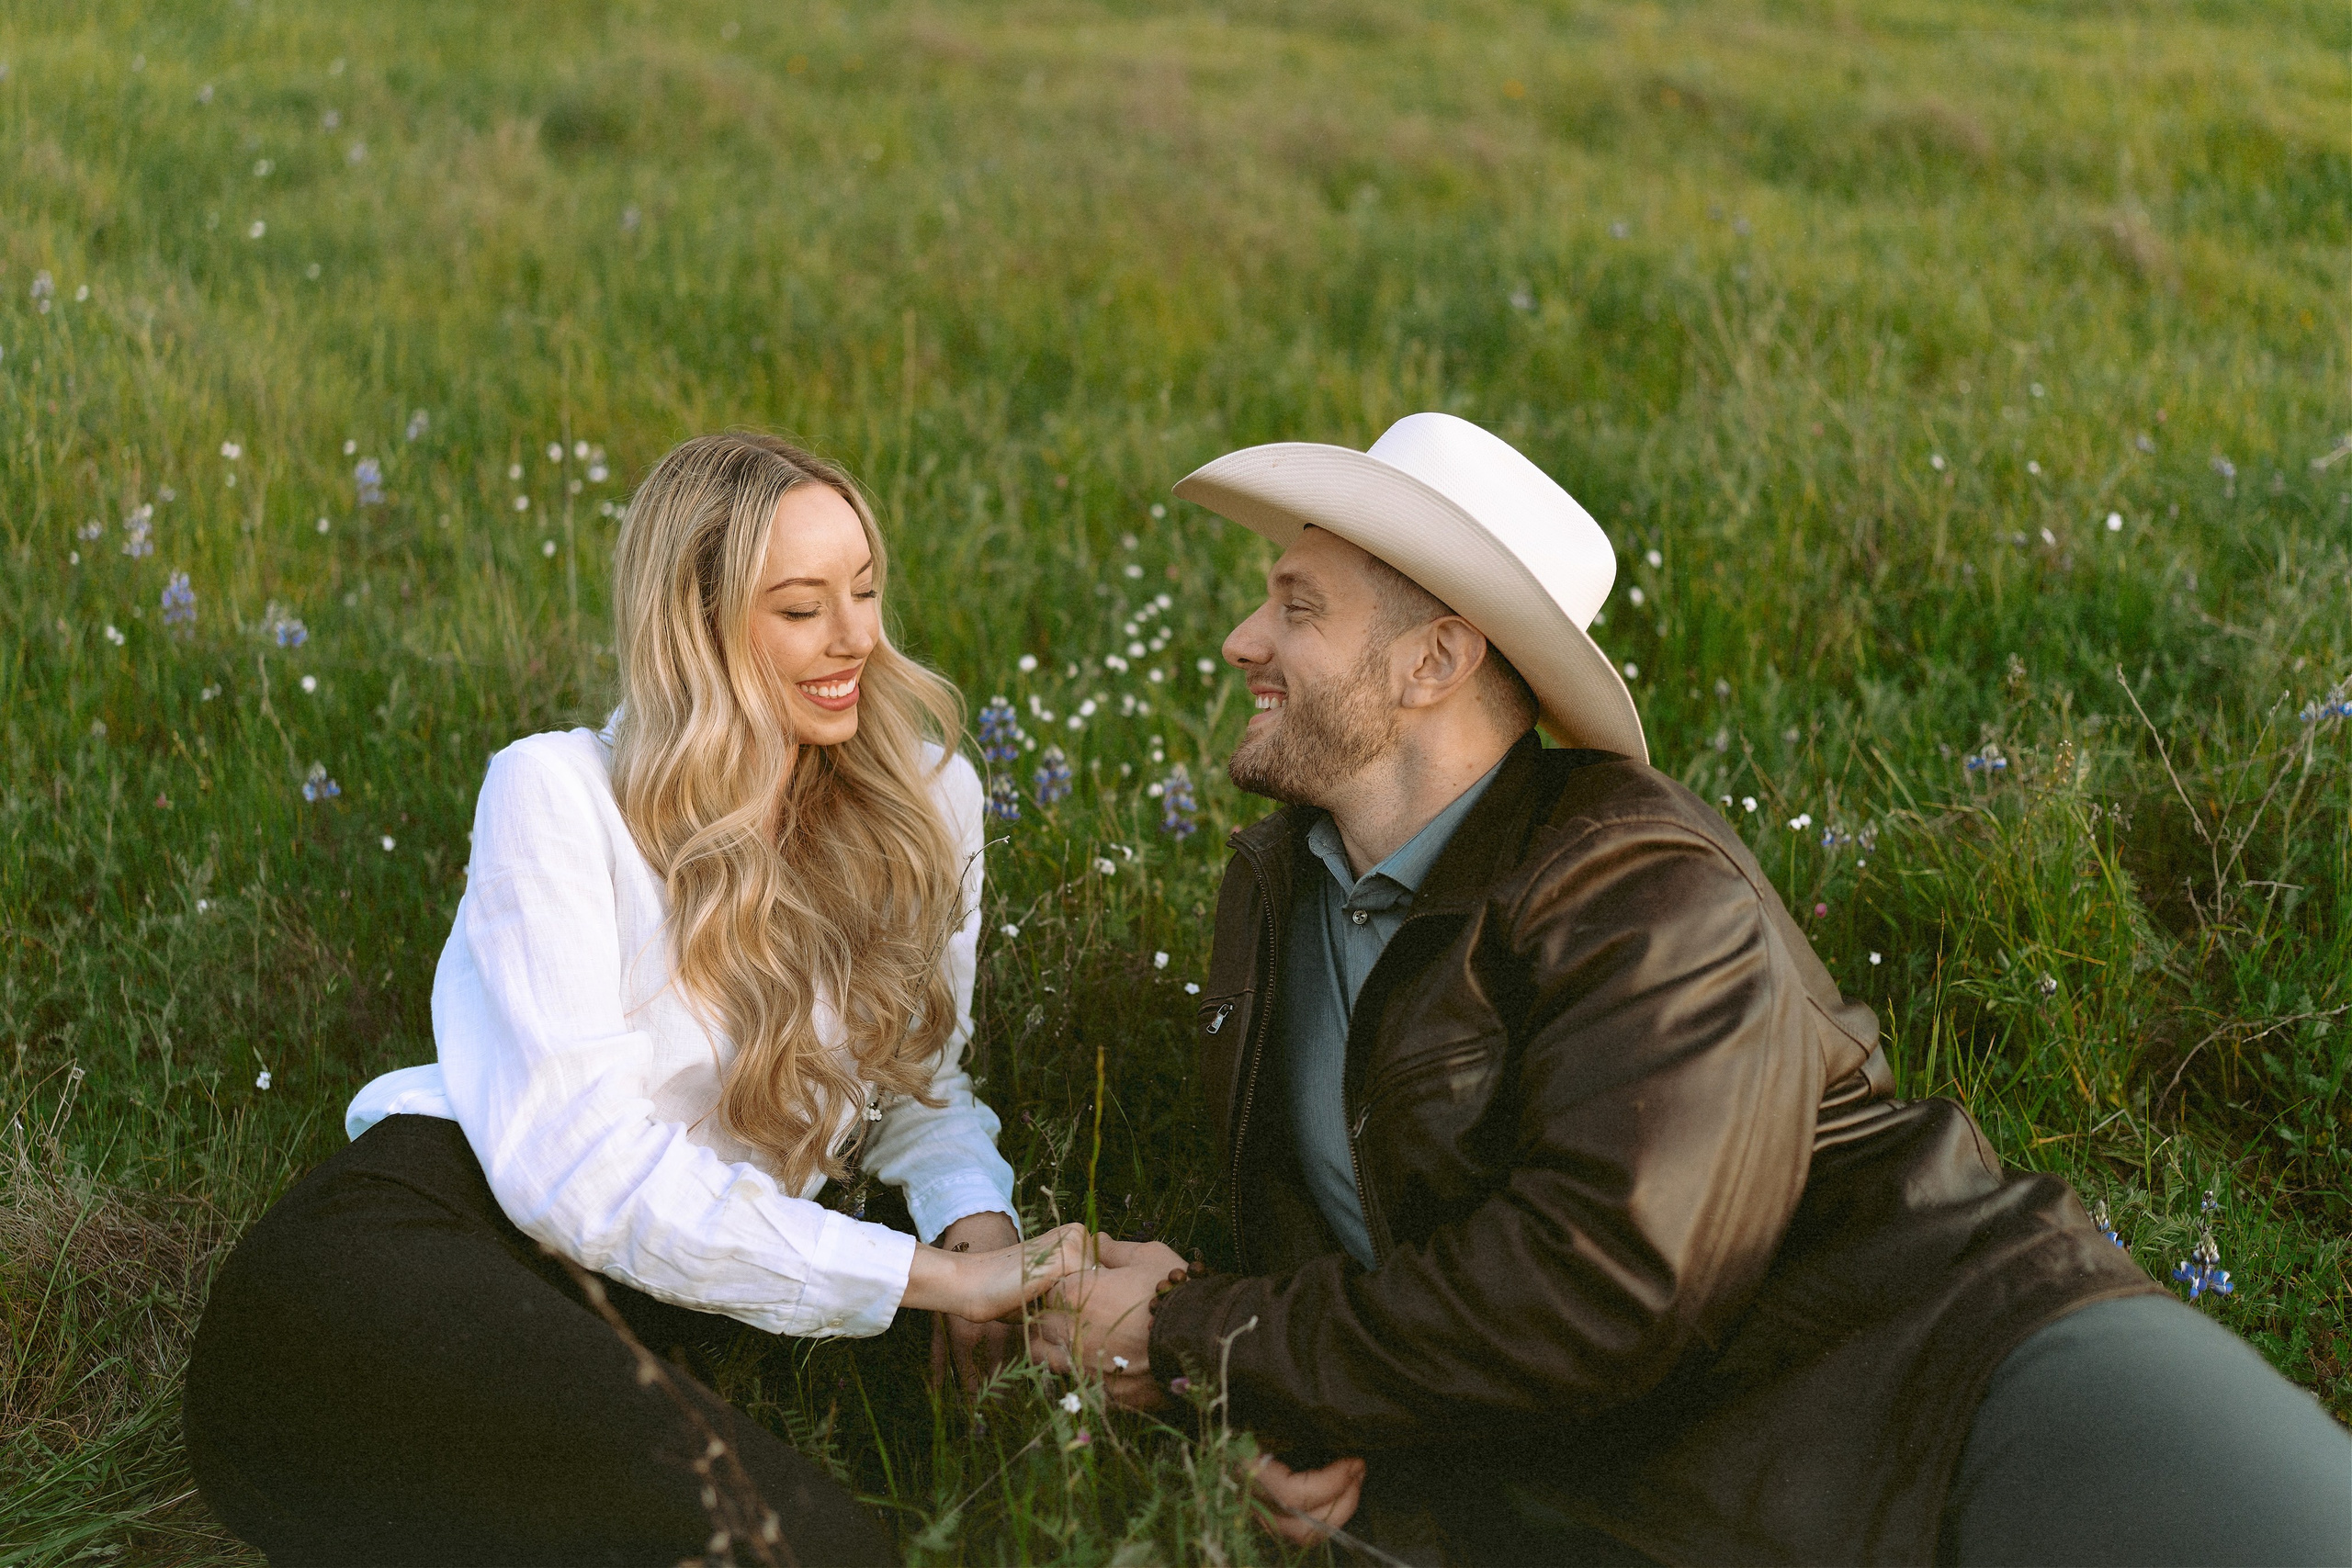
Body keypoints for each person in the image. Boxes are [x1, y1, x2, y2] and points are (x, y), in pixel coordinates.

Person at [1030, 412, 2352, 1565]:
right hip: (1661, 1492)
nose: (1241, 638)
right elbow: (1356, 1241)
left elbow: (1603, 1281)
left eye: (1296, 606)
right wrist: (1294, 1409)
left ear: (1435, 660)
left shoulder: (1634, 877)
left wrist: (1202, 1334)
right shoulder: (1280, 887)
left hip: (1963, 1379)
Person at [186, 433, 1088, 1565]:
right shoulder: (558, 794)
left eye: (864, 591)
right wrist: (933, 1278)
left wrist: (977, 1227)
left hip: (650, 1303)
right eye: (801, 608)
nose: (857, 637)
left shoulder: (927, 799)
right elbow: (584, 1172)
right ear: (693, 627)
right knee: (808, 1548)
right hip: (424, 1257)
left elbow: (914, 1078)